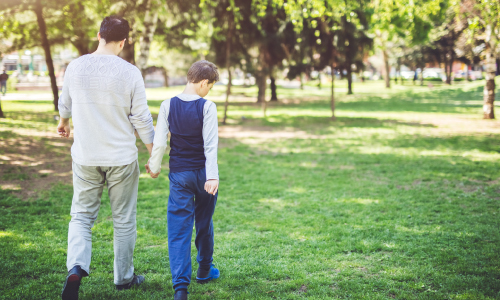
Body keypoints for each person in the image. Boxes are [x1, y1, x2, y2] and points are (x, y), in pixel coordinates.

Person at [57, 15, 155, 300]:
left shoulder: (75, 67)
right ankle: (124, 278)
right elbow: (142, 118)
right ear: (123, 42)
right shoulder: (130, 72)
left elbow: (65, 103)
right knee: (124, 219)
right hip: (121, 158)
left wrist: (63, 123)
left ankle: (76, 266)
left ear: (98, 34)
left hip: (86, 156)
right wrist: (153, 154)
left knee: (81, 215)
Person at [146, 60, 220, 300]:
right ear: (202, 82)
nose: (209, 91)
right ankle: (205, 270)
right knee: (204, 222)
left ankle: (180, 288)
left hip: (179, 175)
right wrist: (212, 176)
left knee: (179, 229)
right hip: (202, 175)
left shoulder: (167, 105)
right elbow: (210, 145)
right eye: (209, 86)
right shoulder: (207, 107)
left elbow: (160, 142)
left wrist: (154, 167)